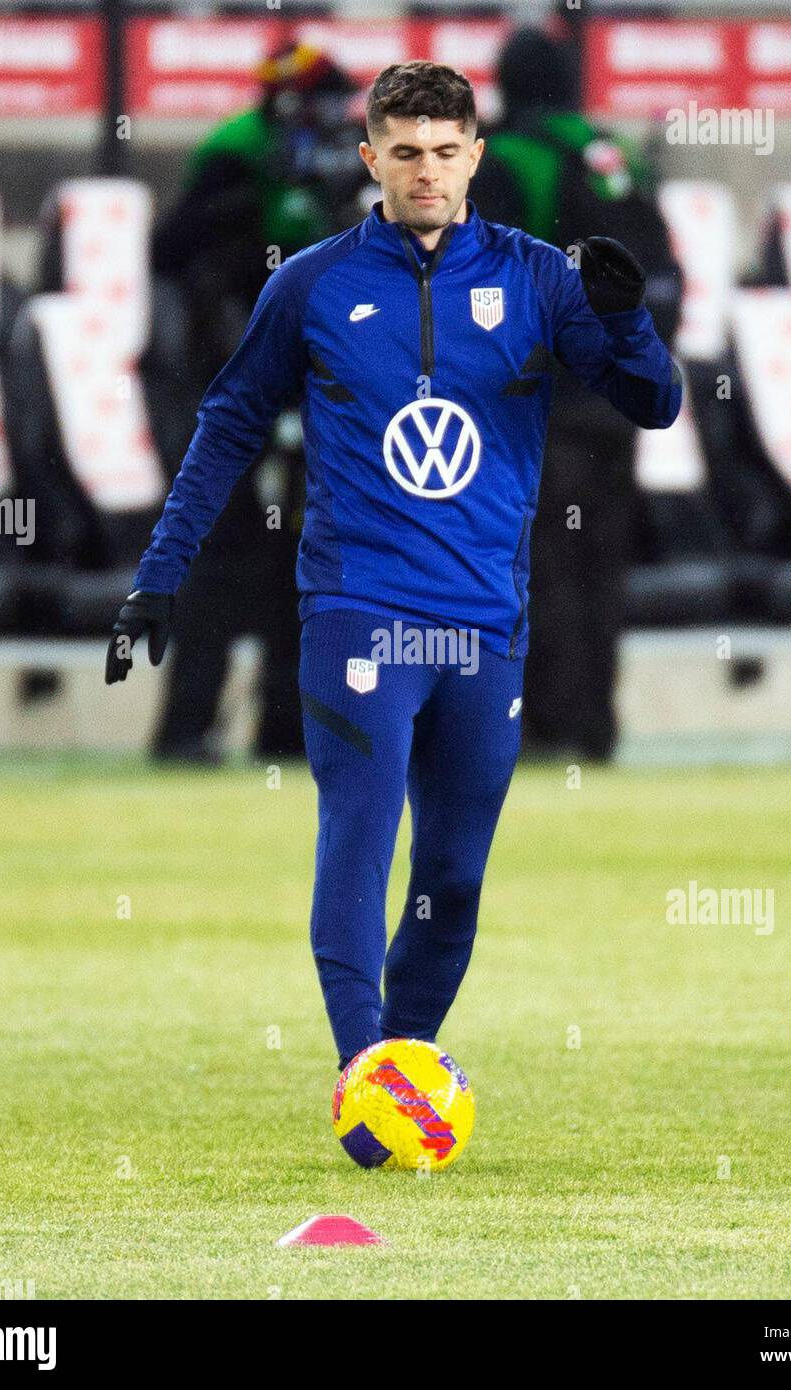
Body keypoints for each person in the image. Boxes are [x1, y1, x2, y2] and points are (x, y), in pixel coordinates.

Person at [105, 62, 681, 1074]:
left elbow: (654, 403)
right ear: (371, 156)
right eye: (404, 153)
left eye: (444, 153)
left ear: (475, 157)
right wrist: (160, 574)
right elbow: (225, 428)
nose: (426, 173)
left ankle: (401, 1060)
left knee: (451, 875)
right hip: (354, 609)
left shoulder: (537, 277)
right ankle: (361, 1069)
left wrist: (628, 320)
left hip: (483, 619)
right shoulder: (313, 282)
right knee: (359, 835)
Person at [150, 42, 368, 762]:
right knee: (219, 553)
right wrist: (250, 202)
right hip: (226, 388)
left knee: (302, 558)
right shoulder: (237, 154)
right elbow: (169, 250)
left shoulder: (343, 171)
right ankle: (187, 727)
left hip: (309, 391)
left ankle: (284, 727)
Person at [473, 27, 682, 760]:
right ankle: (596, 726)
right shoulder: (614, 156)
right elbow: (664, 279)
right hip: (617, 401)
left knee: (539, 564)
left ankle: (547, 727)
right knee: (602, 561)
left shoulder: (506, 158)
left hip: (539, 407)